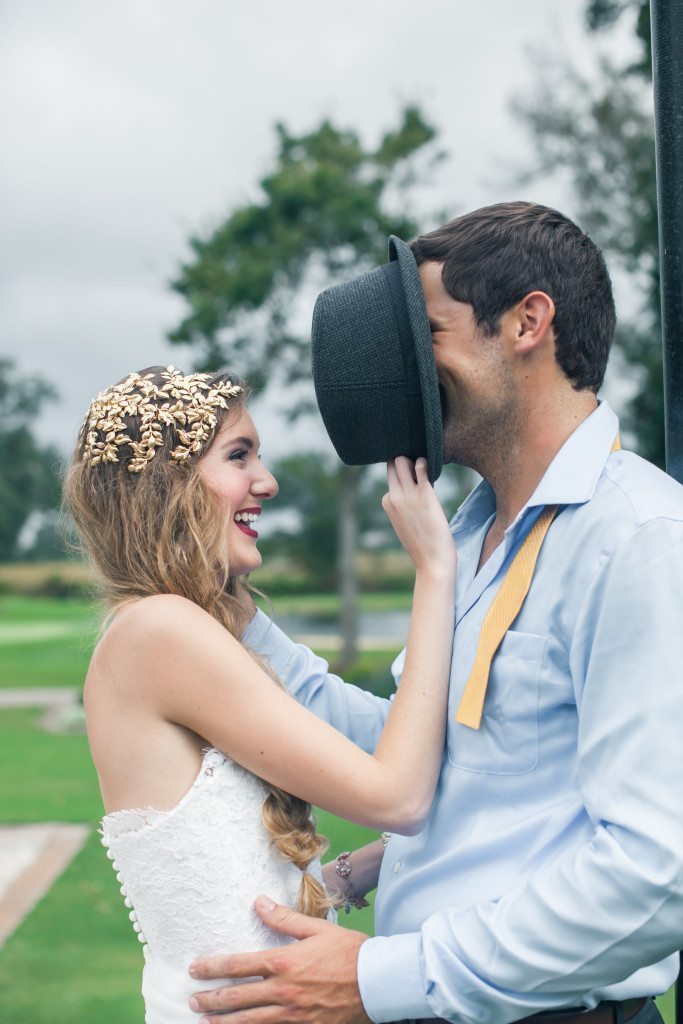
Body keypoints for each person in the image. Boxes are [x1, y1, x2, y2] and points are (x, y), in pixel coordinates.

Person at [188, 203, 683, 1024]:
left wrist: (383, 978)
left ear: (527, 322)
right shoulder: (468, 530)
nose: (404, 365)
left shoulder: (635, 538)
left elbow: (654, 872)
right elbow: (419, 752)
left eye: (431, 332)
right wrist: (229, 612)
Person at [63, 365, 457, 1024]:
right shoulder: (162, 632)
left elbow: (229, 884)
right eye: (239, 455)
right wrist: (434, 572)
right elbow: (398, 795)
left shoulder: (168, 630)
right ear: (170, 485)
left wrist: (353, 875)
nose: (266, 481)